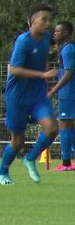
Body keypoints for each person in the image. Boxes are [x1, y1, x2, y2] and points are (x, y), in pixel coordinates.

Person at [0, 3, 58, 185]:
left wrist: (44, 79)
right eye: (44, 19)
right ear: (32, 21)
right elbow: (14, 70)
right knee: (18, 140)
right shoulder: (23, 41)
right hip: (17, 95)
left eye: (50, 20)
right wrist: (42, 74)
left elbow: (44, 58)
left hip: (37, 94)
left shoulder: (46, 38)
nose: (48, 23)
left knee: (52, 128)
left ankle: (30, 159)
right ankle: (2, 172)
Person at [47, 21, 75, 171]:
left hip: (68, 93)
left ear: (66, 33)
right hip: (68, 92)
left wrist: (53, 90)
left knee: (64, 124)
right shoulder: (65, 48)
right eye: (54, 32)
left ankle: (66, 163)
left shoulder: (68, 49)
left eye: (58, 31)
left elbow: (69, 73)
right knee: (69, 125)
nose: (55, 34)